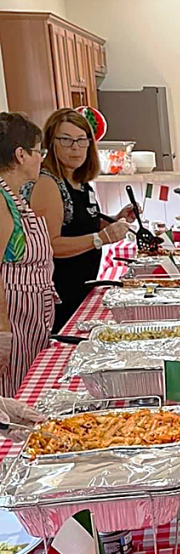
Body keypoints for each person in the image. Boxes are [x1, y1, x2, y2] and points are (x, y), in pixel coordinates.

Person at [26, 109, 133, 331]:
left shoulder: (80, 182)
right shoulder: (48, 183)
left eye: (81, 140)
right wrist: (100, 239)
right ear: (51, 143)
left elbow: (81, 225)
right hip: (60, 295)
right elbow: (50, 244)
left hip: (82, 288)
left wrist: (115, 220)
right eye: (66, 140)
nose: (75, 147)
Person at [0, 112, 55, 396]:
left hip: (30, 315)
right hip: (14, 316)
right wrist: (3, 333)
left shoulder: (15, 195)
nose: (41, 158)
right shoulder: (0, 199)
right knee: (17, 393)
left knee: (30, 387)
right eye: (38, 151)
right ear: (20, 154)